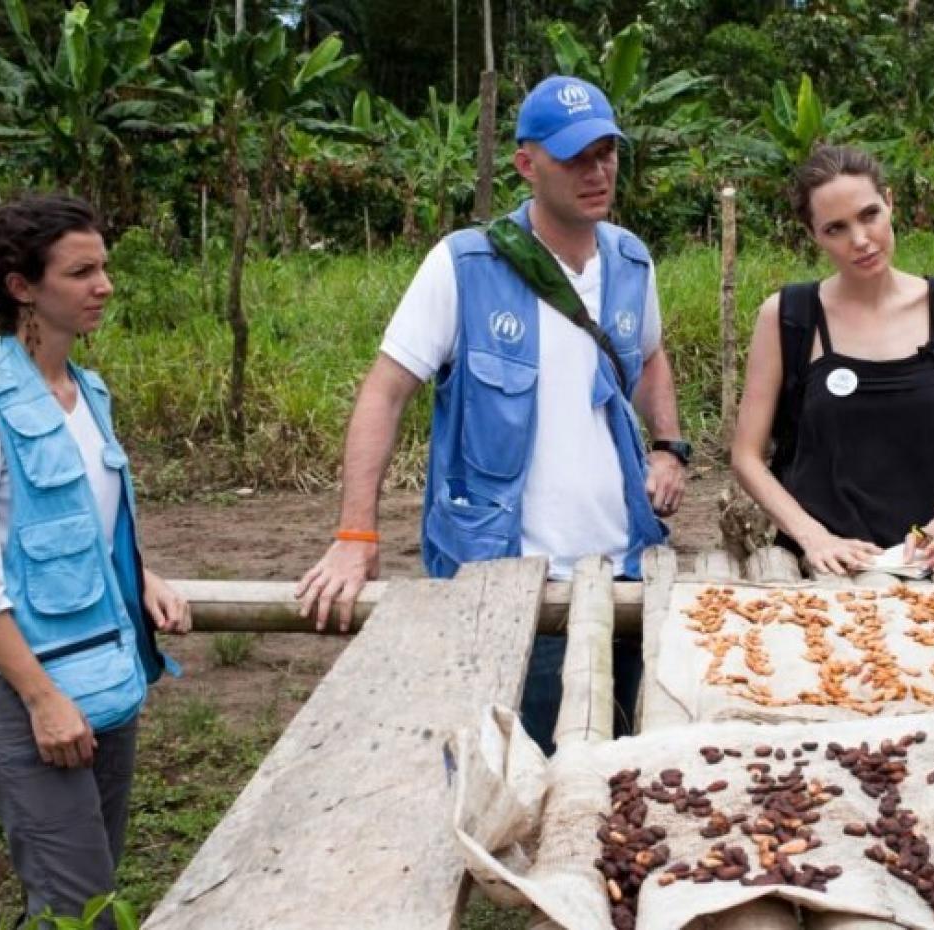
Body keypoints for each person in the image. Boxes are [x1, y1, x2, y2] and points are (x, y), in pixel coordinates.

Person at [294, 76, 687, 753]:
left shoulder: (630, 262)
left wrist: (668, 447)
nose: (597, 172)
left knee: (624, 773)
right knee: (512, 777)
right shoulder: (465, 266)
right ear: (526, 165)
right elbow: (383, 393)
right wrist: (356, 535)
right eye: (575, 158)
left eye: (606, 152)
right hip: (507, 581)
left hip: (627, 570)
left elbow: (650, 357)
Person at [0, 194, 191, 925]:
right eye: (81, 272)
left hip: (102, 675)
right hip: (21, 692)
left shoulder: (86, 393)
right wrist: (41, 699)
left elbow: (77, 529)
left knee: (79, 894)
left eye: (103, 268)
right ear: (21, 287)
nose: (104, 285)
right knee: (84, 908)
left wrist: (141, 575)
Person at [731, 145, 934, 577]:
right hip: (820, 570)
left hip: (929, 561)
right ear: (813, 234)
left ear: (890, 202)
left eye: (869, 215)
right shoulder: (790, 316)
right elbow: (746, 456)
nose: (861, 240)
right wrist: (813, 537)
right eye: (836, 228)